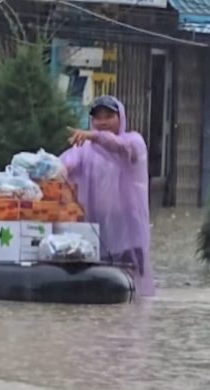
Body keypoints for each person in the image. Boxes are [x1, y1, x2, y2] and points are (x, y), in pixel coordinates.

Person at [61, 95, 156, 297]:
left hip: (128, 233)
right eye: (98, 117)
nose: (102, 122)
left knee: (133, 294)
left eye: (109, 116)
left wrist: (94, 136)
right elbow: (65, 164)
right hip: (97, 232)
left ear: (120, 118)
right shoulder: (83, 149)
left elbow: (119, 148)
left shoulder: (134, 142)